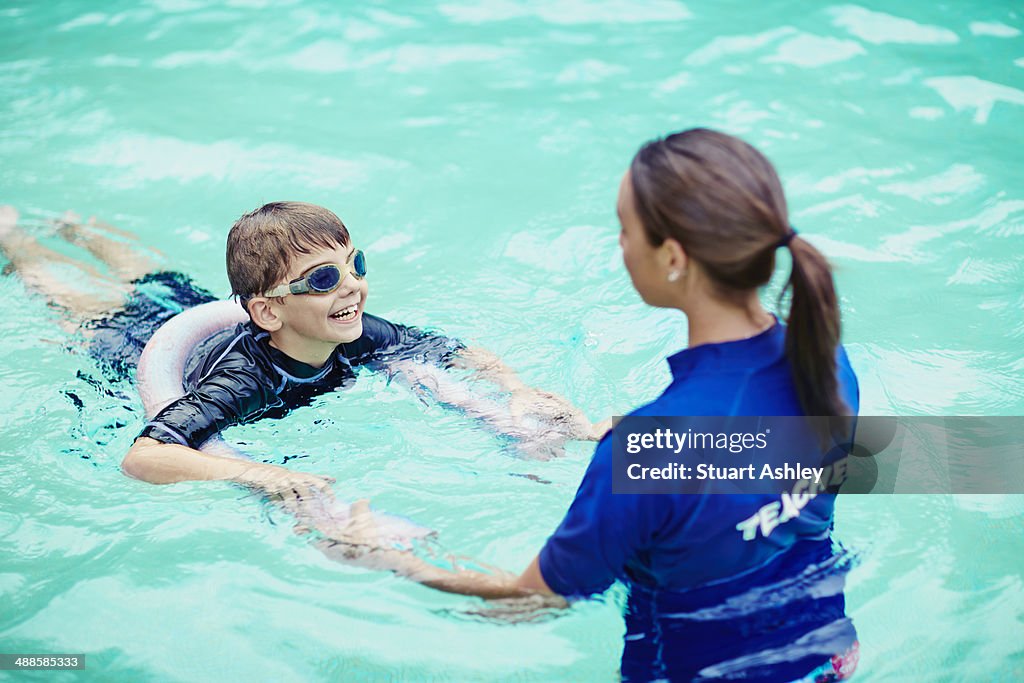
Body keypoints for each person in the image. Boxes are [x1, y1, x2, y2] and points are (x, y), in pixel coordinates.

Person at [354, 130, 861, 682]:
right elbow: (788, 459)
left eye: (625, 229)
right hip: (829, 658)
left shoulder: (647, 452)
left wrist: (384, 555)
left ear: (671, 256)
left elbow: (531, 601)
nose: (620, 245)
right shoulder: (827, 360)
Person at [0, 202, 605, 506]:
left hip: (192, 317)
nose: (352, 287)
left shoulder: (356, 330)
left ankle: (79, 228)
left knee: (156, 274)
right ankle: (19, 243)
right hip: (143, 348)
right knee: (78, 302)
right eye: (322, 280)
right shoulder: (243, 379)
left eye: (355, 265)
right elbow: (146, 456)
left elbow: (454, 352)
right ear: (268, 311)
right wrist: (260, 474)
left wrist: (518, 391)